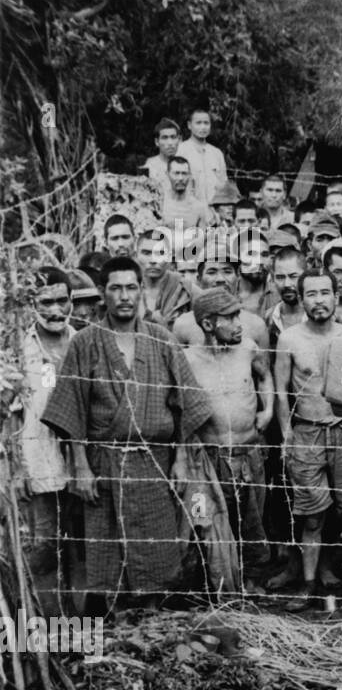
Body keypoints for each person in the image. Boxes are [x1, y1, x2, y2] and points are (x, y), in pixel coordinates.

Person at [42, 257, 210, 612]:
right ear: (104, 293)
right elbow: (72, 408)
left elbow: (185, 404)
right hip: (105, 464)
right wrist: (82, 467)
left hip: (154, 462)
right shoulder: (85, 342)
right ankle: (118, 626)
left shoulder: (162, 339)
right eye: (115, 288)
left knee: (154, 548)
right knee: (107, 549)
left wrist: (180, 459)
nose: (124, 296)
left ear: (140, 292)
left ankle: (150, 621)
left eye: (131, 287)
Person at [273, 268, 342, 606]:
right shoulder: (289, 339)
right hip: (307, 432)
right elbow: (280, 391)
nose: (319, 300)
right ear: (301, 300)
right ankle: (308, 584)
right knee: (311, 515)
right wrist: (288, 437)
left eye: (325, 293)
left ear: (336, 296)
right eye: (312, 294)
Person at [185, 288, 274, 582]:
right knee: (207, 521)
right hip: (210, 461)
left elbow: (264, 376)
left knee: (251, 520)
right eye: (230, 318)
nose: (239, 324)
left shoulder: (248, 348)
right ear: (208, 325)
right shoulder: (188, 359)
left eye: (239, 315)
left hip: (249, 454)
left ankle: (249, 581)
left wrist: (268, 409)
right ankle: (214, 583)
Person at [13, 267, 76, 576]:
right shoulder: (20, 350)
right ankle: (51, 619)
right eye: (45, 303)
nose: (54, 310)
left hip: (82, 463)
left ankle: (90, 617)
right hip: (39, 460)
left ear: (72, 300)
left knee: (82, 544)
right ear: (32, 305)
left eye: (61, 301)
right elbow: (12, 414)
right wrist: (17, 468)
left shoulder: (83, 343)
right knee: (47, 544)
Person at [135, 228, 191, 328]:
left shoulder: (184, 286)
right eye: (146, 253)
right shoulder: (127, 286)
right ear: (136, 255)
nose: (153, 260)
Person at [176, 107, 228, 208]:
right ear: (189, 125)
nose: (203, 127)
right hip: (188, 209)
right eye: (198, 123)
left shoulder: (216, 153)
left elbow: (223, 185)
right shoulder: (181, 151)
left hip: (214, 211)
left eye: (206, 123)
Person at [159, 155, 212, 231]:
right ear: (167, 174)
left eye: (184, 173)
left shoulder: (198, 207)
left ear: (189, 175)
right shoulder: (161, 204)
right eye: (176, 173)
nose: (180, 178)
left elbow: (202, 240)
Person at [144, 118, 182, 192]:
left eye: (173, 137)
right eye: (165, 138)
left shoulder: (186, 165)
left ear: (179, 140)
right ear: (157, 142)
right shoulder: (149, 166)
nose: (170, 143)